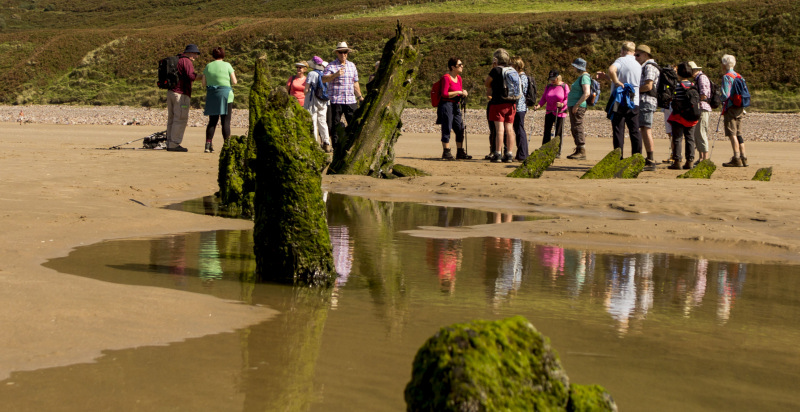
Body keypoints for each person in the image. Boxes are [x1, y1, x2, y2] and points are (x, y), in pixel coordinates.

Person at [596, 41, 641, 157]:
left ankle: (618, 157)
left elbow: (612, 70)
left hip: (620, 100)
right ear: (633, 52)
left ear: (623, 51)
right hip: (634, 100)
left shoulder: (621, 60)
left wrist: (616, 82)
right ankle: (637, 157)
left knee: (618, 130)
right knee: (634, 130)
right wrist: (609, 78)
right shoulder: (638, 64)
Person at [323, 42, 364, 149]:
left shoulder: (352, 65)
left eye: (345, 52)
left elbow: (355, 82)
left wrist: (360, 97)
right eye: (340, 52)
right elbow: (323, 79)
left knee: (354, 124)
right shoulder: (331, 66)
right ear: (337, 53)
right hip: (335, 101)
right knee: (335, 125)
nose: (343, 54)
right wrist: (335, 75)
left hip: (350, 100)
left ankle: (352, 146)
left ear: (347, 53)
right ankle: (336, 147)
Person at [484, 49, 517, 163]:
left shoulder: (496, 70)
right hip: (512, 103)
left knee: (499, 128)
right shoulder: (512, 70)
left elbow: (487, 83)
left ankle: (498, 153)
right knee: (510, 128)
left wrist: (493, 68)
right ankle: (509, 153)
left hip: (498, 102)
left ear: (496, 59)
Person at [202, 47, 237, 153]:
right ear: (223, 54)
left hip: (212, 95)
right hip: (226, 95)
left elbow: (203, 83)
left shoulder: (208, 66)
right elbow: (234, 81)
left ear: (213, 55)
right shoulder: (227, 65)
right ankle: (227, 145)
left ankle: (208, 145)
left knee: (212, 121)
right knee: (225, 122)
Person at [166, 44, 199, 152]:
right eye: (195, 53)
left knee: (171, 118)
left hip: (171, 92)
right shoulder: (186, 61)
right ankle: (174, 144)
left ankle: (169, 142)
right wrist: (202, 77)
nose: (196, 56)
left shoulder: (177, 59)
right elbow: (191, 76)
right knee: (180, 119)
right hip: (181, 94)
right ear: (189, 53)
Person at [667, 62, 699, 170]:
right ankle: (690, 161)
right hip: (691, 116)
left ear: (679, 74)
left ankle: (677, 161)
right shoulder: (693, 86)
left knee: (677, 138)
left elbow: (672, 98)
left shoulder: (676, 86)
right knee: (690, 138)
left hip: (678, 116)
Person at [437, 57, 469, 160]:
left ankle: (460, 151)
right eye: (459, 65)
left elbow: (459, 90)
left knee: (460, 127)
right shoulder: (446, 78)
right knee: (447, 127)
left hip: (456, 105)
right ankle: (446, 151)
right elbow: (444, 94)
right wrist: (459, 92)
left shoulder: (459, 78)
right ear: (452, 67)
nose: (462, 66)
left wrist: (463, 92)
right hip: (446, 105)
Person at [719, 54, 747, 167]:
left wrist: (719, 99)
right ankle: (744, 157)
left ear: (725, 64)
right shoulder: (739, 76)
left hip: (730, 107)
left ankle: (736, 157)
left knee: (732, 133)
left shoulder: (727, 77)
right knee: (739, 132)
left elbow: (726, 94)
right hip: (740, 107)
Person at [635, 44, 660, 171]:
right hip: (646, 100)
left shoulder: (649, 66)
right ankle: (649, 159)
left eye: (638, 55)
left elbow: (648, 86)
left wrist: (634, 91)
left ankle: (650, 160)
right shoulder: (646, 66)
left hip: (646, 100)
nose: (635, 57)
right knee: (644, 128)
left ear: (645, 55)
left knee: (646, 129)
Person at [534, 70, 569, 157]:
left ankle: (557, 151)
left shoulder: (564, 86)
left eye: (554, 79)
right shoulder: (549, 86)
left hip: (560, 112)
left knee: (558, 133)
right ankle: (545, 149)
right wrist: (539, 105)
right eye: (551, 79)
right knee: (547, 132)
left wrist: (562, 104)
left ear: (558, 77)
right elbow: (544, 98)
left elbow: (568, 99)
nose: (552, 81)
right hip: (549, 111)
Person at [304, 56, 332, 152]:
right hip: (323, 101)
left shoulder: (311, 74)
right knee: (323, 122)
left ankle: (315, 144)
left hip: (313, 101)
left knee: (313, 122)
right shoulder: (325, 73)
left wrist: (305, 93)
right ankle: (326, 143)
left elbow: (306, 89)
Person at [566, 58, 591, 160]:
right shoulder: (582, 77)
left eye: (574, 66)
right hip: (574, 105)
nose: (573, 68)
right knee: (574, 127)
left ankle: (581, 150)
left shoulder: (585, 77)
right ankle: (578, 148)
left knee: (577, 126)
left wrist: (577, 105)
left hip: (578, 106)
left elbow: (587, 93)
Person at [689, 61, 712, 164]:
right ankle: (701, 157)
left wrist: (696, 100)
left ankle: (705, 158)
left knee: (701, 133)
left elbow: (704, 94)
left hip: (702, 107)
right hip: (702, 107)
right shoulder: (698, 78)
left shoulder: (701, 78)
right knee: (698, 133)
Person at [510, 57, 529, 161]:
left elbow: (519, 93)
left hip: (519, 107)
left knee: (519, 130)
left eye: (512, 65)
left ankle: (522, 155)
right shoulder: (523, 77)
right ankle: (523, 153)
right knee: (519, 130)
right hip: (522, 107)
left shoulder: (521, 77)